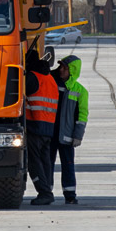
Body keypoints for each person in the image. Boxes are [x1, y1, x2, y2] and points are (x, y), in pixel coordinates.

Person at [51, 54, 89, 204]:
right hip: (50, 134)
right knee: (48, 164)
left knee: (68, 165)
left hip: (67, 137)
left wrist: (78, 136)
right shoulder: (53, 84)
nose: (60, 70)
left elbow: (82, 115)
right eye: (60, 67)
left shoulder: (80, 91)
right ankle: (46, 192)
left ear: (72, 70)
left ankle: (70, 195)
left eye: (64, 68)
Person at [24, 49, 60, 205]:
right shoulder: (49, 78)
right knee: (45, 161)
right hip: (48, 127)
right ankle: (48, 190)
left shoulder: (32, 78)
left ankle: (44, 192)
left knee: (34, 161)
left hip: (34, 126)